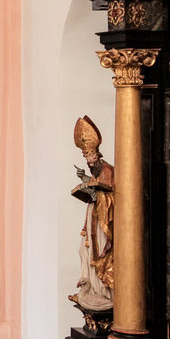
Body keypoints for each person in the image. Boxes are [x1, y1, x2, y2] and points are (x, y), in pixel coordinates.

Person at [68, 116, 113, 314]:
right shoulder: (95, 171)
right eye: (85, 156)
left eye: (90, 155)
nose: (88, 159)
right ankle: (90, 287)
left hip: (103, 220)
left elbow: (114, 192)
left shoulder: (108, 170)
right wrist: (86, 181)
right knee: (84, 251)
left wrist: (98, 192)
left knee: (99, 250)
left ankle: (102, 290)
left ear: (97, 154)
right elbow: (96, 187)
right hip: (93, 215)